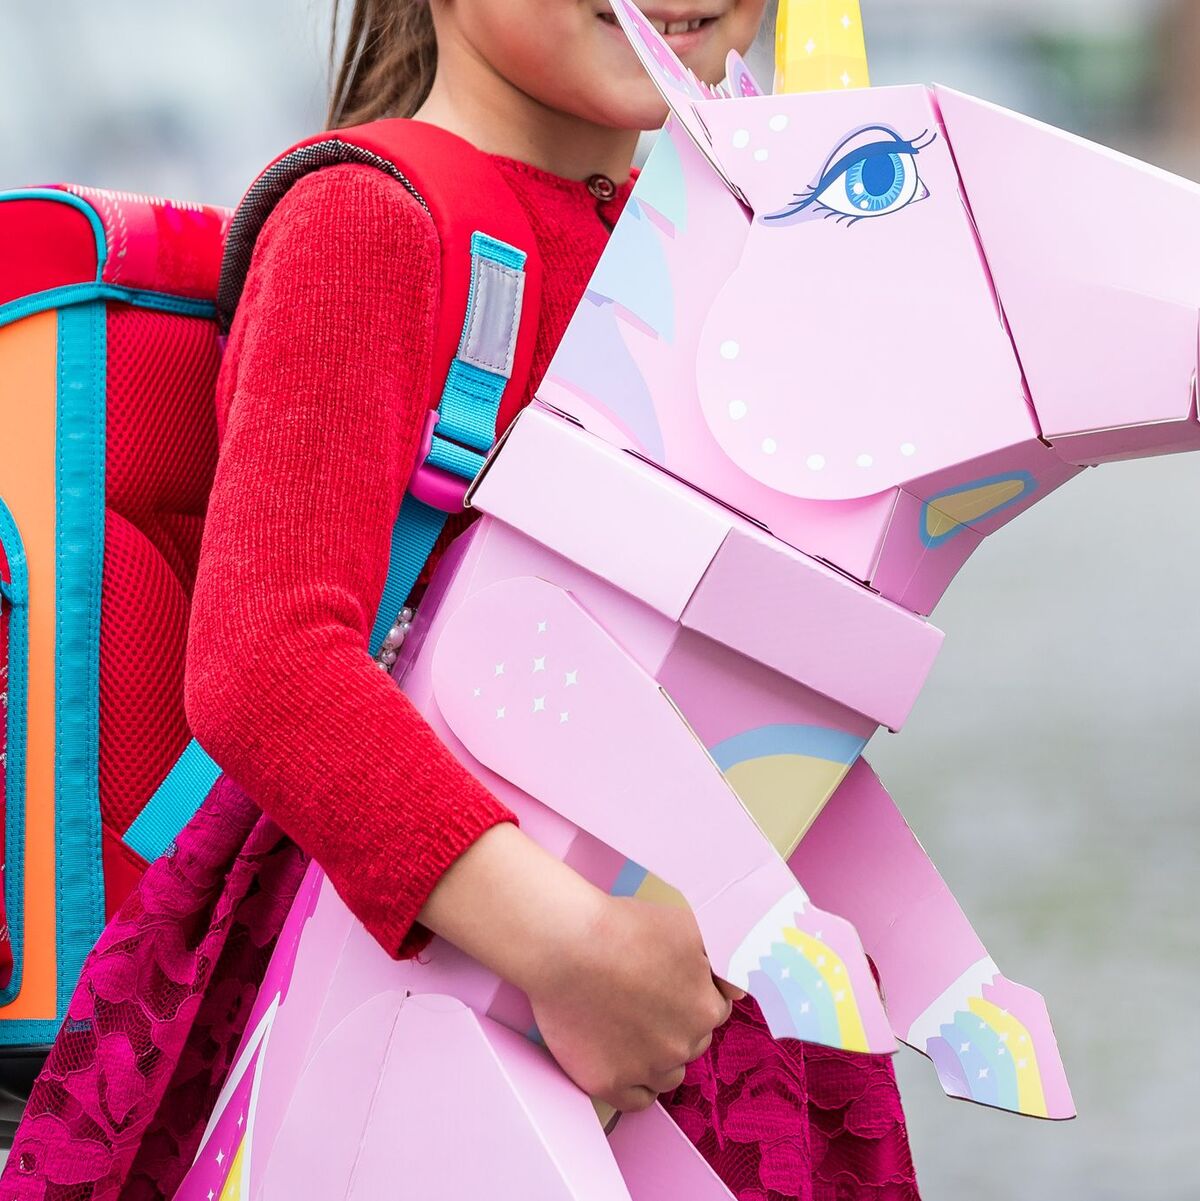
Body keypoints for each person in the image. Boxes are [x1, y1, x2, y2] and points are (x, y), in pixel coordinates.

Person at [1, 3, 920, 1198]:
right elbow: (267, 658)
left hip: (674, 973)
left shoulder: (716, 257)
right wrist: (574, 950)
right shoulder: (367, 220)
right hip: (426, 972)